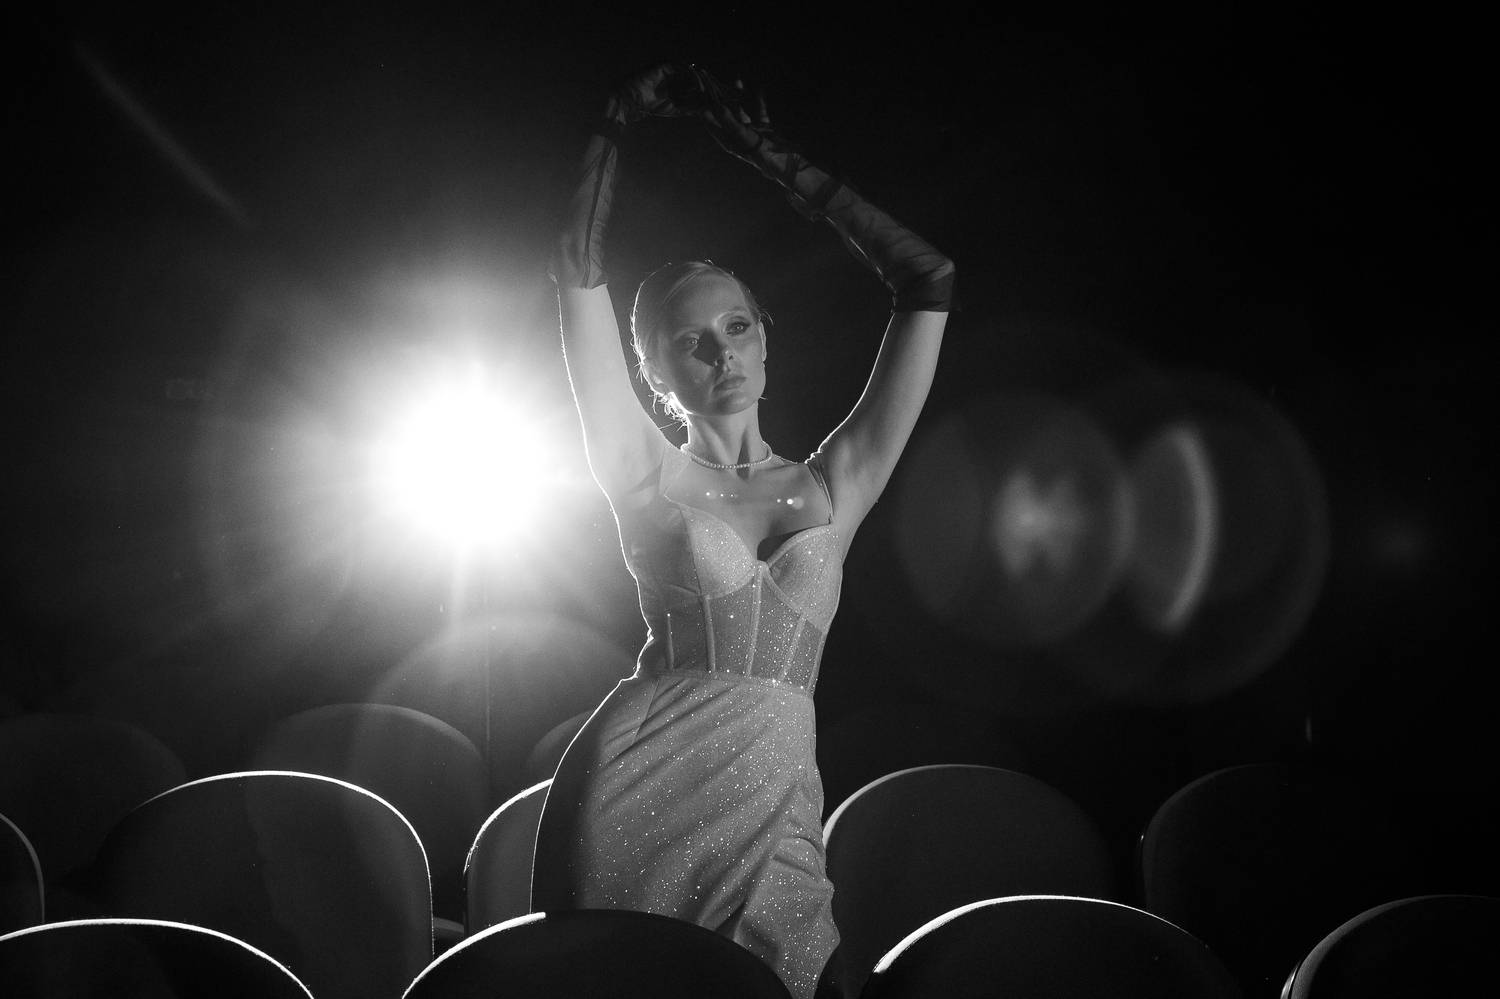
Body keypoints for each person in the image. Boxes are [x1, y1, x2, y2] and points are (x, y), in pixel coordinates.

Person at [531, 63, 955, 999]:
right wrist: (616, 120)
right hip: (635, 793)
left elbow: (928, 278)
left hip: (777, 804)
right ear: (653, 376)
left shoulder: (835, 482)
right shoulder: (642, 471)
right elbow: (574, 267)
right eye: (692, 342)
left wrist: (773, 157)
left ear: (766, 334)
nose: (722, 353)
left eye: (737, 327)